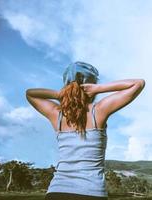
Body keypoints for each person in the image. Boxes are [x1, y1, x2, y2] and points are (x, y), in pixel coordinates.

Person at [25, 61, 145, 200]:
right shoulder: (98, 111)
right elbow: (138, 83)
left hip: (57, 191)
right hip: (91, 192)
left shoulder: (56, 114)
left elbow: (30, 94)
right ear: (90, 84)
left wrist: (61, 94)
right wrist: (99, 88)